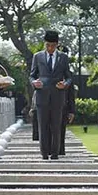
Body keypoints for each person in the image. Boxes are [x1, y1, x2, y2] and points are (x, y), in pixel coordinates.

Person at [29, 30, 72, 160]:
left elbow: (69, 77)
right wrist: (34, 82)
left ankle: (55, 153)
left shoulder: (63, 58)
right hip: (42, 95)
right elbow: (32, 75)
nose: (50, 48)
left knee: (56, 125)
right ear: (45, 44)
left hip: (58, 96)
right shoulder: (37, 56)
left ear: (57, 44)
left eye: (53, 45)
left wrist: (65, 84)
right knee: (42, 125)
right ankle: (44, 153)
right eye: (48, 45)